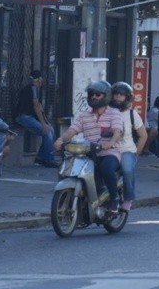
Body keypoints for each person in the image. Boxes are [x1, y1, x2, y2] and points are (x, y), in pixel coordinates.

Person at [53, 81, 124, 212]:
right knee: (69, 168)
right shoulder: (84, 115)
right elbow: (72, 130)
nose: (94, 97)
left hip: (109, 152)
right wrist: (60, 139)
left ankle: (114, 200)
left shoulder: (114, 113)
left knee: (106, 168)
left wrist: (110, 143)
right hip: (89, 153)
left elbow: (117, 131)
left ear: (106, 96)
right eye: (91, 94)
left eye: (98, 94)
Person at [110, 82, 147, 211]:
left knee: (127, 169)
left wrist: (136, 153)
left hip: (127, 150)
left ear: (127, 98)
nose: (117, 97)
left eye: (121, 95)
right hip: (109, 150)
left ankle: (128, 198)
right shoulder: (107, 112)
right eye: (115, 95)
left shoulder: (132, 114)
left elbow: (143, 135)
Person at [14, 69, 58, 168]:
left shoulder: (33, 88)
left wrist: (46, 123)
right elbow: (36, 106)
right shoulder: (34, 88)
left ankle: (41, 157)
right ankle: (48, 159)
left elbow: (39, 108)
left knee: (51, 130)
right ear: (39, 79)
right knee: (47, 132)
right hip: (23, 117)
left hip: (27, 116)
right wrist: (43, 124)